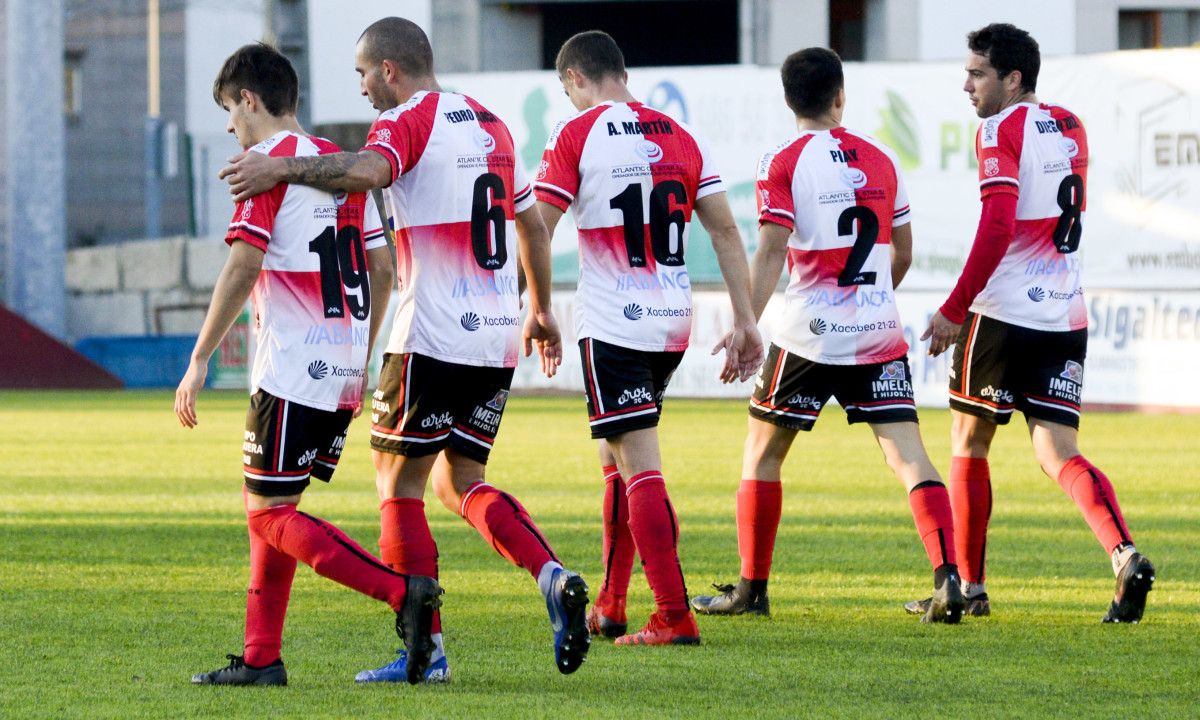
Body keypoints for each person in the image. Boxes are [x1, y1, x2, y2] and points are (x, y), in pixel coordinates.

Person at [218, 17, 590, 680]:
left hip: (431, 333)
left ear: (389, 70)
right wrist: (539, 308)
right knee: (461, 480)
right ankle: (551, 575)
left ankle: (427, 651)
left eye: (363, 74)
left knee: (398, 483)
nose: (361, 88)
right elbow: (532, 228)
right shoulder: (492, 124)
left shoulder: (405, 120)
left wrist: (280, 166)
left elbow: (366, 171)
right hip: (496, 334)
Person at [177, 43, 442, 687]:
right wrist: (361, 347)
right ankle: (262, 658)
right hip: (342, 366)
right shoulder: (336, 164)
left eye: (229, 112)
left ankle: (400, 592)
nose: (231, 128)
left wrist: (199, 358)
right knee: (270, 504)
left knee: (268, 514)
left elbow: (243, 264)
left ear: (247, 99)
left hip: (292, 366)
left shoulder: (264, 166)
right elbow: (381, 268)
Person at [688, 48, 965, 624]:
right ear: (841, 95)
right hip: (877, 334)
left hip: (809, 335)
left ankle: (751, 589)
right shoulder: (885, 158)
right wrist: (869, 301)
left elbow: (771, 249)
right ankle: (949, 578)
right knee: (910, 457)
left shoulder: (783, 161)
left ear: (790, 100)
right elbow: (904, 250)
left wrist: (748, 323)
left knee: (763, 453)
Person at [909, 23, 1154, 623]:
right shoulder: (1070, 124)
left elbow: (998, 226)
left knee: (970, 442)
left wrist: (954, 307)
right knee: (1057, 450)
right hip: (1063, 312)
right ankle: (1123, 555)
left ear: (1012, 78)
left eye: (977, 72)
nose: (966, 84)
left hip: (1003, 314)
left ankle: (968, 585)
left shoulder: (998, 129)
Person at [535, 30, 765, 646]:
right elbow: (724, 232)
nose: (569, 101)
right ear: (624, 72)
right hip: (671, 322)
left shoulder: (576, 135)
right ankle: (611, 604)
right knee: (616, 460)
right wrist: (746, 319)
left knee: (639, 468)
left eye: (566, 91)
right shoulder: (681, 136)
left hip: (613, 322)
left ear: (576, 79)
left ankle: (672, 612)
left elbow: (540, 225)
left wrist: (534, 304)